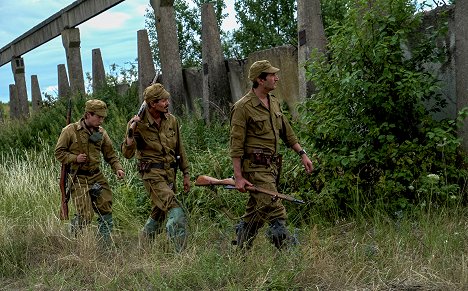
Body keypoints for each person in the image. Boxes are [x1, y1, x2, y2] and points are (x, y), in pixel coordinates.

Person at [230, 60, 314, 250]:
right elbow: (235, 146)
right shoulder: (242, 107)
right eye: (272, 75)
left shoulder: (274, 102)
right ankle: (290, 257)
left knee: (257, 212)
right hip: (254, 168)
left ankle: (241, 248)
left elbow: (287, 132)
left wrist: (302, 154)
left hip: (272, 168)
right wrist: (238, 177)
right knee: (275, 208)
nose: (276, 78)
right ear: (260, 79)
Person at [121, 83, 190, 252]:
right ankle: (180, 254)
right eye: (163, 100)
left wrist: (186, 173)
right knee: (174, 207)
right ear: (152, 103)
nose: (167, 103)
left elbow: (180, 148)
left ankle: (143, 243)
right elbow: (127, 153)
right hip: (152, 174)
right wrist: (131, 131)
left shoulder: (171, 120)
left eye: (167, 100)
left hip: (170, 172)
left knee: (159, 210)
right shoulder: (138, 124)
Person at [55, 99, 125, 245]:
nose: (101, 120)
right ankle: (71, 237)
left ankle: (105, 246)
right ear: (88, 115)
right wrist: (75, 158)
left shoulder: (102, 133)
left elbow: (110, 154)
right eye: (98, 117)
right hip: (78, 178)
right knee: (85, 215)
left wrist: (118, 168)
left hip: (96, 175)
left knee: (106, 209)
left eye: (103, 117)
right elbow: (59, 153)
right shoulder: (70, 131)